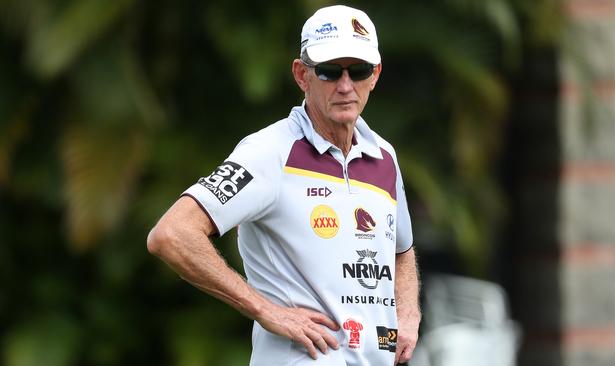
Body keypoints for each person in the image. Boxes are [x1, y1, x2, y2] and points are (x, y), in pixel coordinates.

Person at [147, 5, 421, 366]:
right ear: (301, 75)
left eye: (358, 71)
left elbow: (402, 249)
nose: (344, 86)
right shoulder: (270, 152)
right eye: (327, 71)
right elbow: (172, 233)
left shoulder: (385, 156)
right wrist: (265, 310)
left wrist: (409, 314)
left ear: (375, 75)